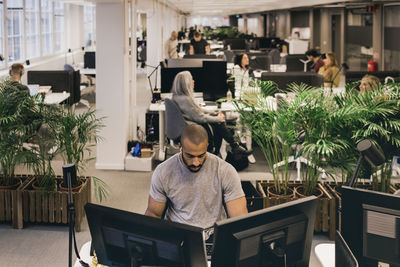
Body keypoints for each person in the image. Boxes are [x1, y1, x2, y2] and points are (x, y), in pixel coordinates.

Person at [145, 124, 248, 229]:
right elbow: (154, 214)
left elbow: (239, 219)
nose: (196, 162)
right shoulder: (163, 172)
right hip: (179, 233)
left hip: (213, 235)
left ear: (207, 146)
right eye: (190, 156)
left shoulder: (225, 171)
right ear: (180, 147)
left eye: (201, 155)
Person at [171, 71, 252, 156]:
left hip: (190, 124)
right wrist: (218, 118)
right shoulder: (185, 99)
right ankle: (231, 146)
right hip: (191, 128)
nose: (193, 81)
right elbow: (200, 117)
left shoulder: (178, 97)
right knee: (218, 122)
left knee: (217, 120)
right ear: (185, 83)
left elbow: (198, 110)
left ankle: (231, 147)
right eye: (191, 80)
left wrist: (213, 113)